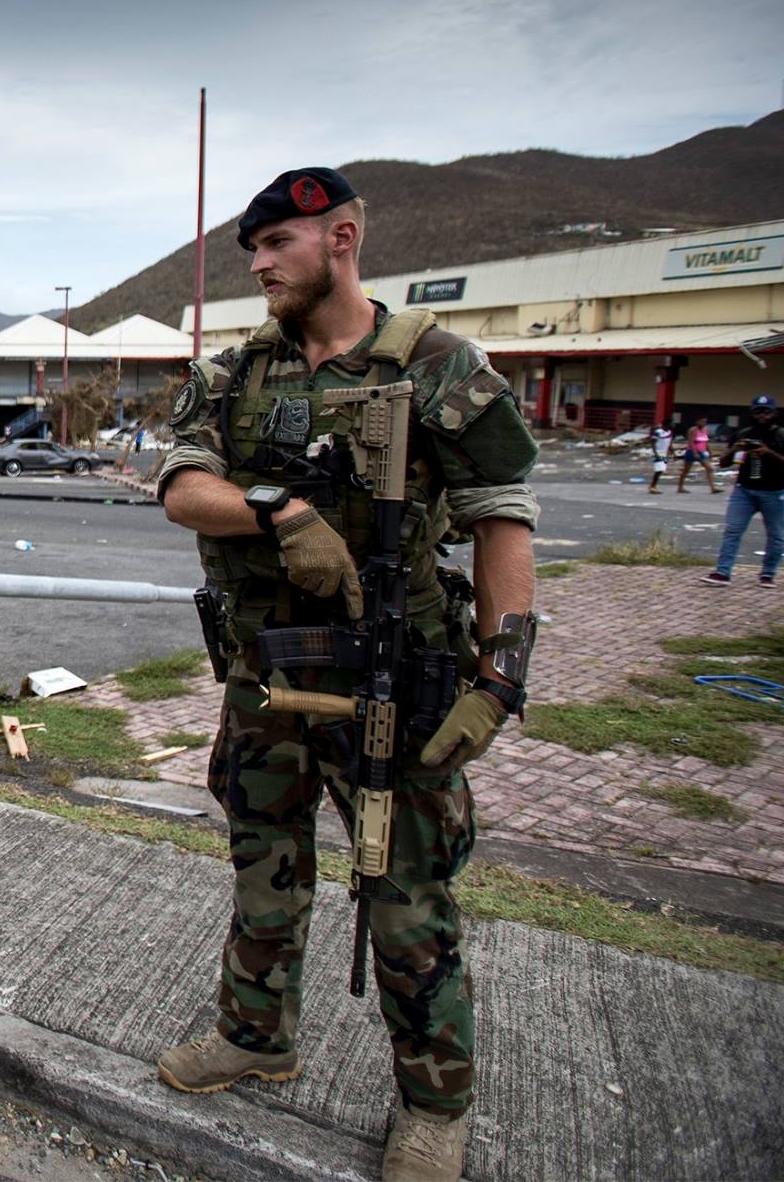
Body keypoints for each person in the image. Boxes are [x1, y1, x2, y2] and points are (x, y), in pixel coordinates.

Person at [154, 169, 539, 1182]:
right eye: (252, 246)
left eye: (279, 240)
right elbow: (185, 491)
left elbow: (504, 519)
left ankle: (432, 1104)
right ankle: (254, 1032)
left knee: (405, 895)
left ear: (343, 236)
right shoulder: (232, 376)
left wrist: (498, 681)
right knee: (260, 865)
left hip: (391, 679)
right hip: (266, 678)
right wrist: (282, 513)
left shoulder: (442, 367)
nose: (259, 262)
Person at [701, 395, 784, 589]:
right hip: (745, 491)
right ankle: (723, 572)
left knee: (775, 534)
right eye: (758, 411)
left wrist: (770, 453)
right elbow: (723, 463)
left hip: (775, 492)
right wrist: (735, 449)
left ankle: (768, 574)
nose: (762, 416)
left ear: (775, 413)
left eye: (766, 412)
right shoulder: (743, 434)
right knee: (732, 530)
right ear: (751, 413)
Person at [676, 416, 720, 494]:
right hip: (691, 452)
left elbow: (705, 442)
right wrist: (694, 453)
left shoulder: (705, 430)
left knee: (709, 468)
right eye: (702, 421)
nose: (704, 423)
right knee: (686, 470)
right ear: (697, 422)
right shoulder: (693, 430)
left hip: (701, 452)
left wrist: (709, 451)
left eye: (705, 422)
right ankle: (680, 487)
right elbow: (691, 442)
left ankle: (713, 488)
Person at [644, 421, 673, 494]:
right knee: (659, 470)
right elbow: (653, 442)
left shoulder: (670, 432)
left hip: (664, 453)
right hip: (658, 453)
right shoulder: (658, 432)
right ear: (666, 424)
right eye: (671, 423)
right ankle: (653, 487)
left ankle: (652, 486)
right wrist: (655, 453)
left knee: (661, 469)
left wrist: (671, 448)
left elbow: (669, 442)